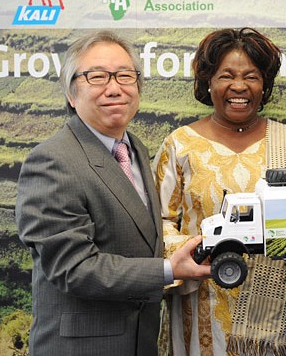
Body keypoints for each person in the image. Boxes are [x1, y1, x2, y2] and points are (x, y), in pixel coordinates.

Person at [15, 30, 211, 356]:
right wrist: (168, 270)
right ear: (71, 93)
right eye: (97, 77)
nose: (114, 88)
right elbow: (73, 268)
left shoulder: (134, 147)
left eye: (124, 76)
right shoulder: (52, 161)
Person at [152, 27, 286, 355]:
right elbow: (159, 221)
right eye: (226, 76)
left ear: (265, 85)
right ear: (207, 81)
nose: (239, 86)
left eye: (251, 76)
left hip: (274, 316)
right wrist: (190, 257)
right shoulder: (180, 145)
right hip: (200, 305)